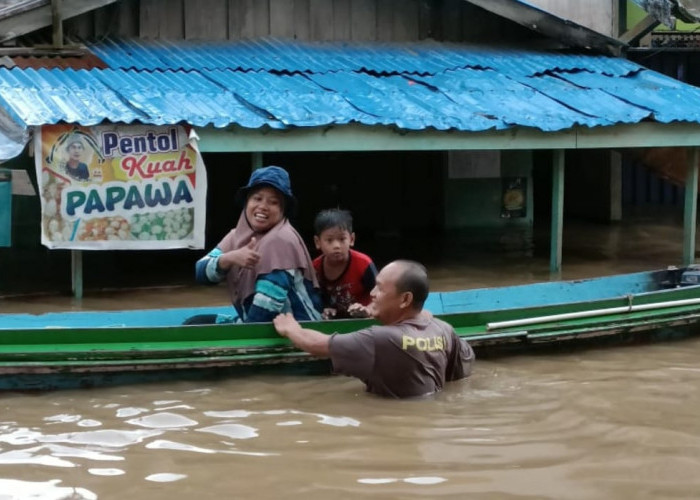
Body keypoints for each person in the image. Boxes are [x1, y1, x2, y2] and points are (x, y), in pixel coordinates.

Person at [273, 260, 475, 398]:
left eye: (379, 288)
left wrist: (291, 329)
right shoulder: (443, 329)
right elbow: (465, 367)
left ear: (405, 299)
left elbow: (317, 345)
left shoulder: (380, 339)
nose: (372, 293)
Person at [192, 166, 322, 323]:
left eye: (273, 202)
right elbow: (201, 273)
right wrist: (229, 258)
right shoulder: (236, 235)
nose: (263, 206)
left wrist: (242, 342)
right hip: (258, 322)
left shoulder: (281, 239)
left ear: (283, 210)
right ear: (247, 202)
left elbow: (266, 308)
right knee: (196, 323)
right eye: (257, 198)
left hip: (294, 328)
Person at [312, 208, 378, 319]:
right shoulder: (315, 268)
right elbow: (315, 298)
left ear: (351, 239)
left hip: (365, 320)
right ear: (318, 242)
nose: (336, 245)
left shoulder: (363, 263)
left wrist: (368, 309)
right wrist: (325, 309)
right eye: (329, 240)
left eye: (342, 239)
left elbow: (383, 295)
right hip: (336, 324)